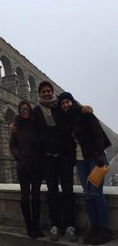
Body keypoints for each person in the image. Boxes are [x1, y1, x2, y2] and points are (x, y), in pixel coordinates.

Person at [58, 91, 111, 245]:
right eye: (62, 103)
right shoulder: (66, 120)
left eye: (67, 101)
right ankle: (94, 227)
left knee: (96, 193)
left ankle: (104, 229)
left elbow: (97, 134)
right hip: (80, 161)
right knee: (87, 194)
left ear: (72, 101)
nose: (65, 105)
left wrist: (100, 155)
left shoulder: (85, 113)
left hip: (95, 158)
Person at [32, 81, 78, 242]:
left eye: (48, 91)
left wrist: (86, 109)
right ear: (39, 94)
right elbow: (32, 130)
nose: (46, 93)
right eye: (43, 91)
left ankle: (70, 226)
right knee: (52, 192)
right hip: (48, 158)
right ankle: (55, 225)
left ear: (52, 92)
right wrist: (14, 126)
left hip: (64, 156)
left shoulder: (61, 107)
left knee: (68, 191)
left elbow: (75, 114)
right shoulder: (37, 111)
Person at [9, 100, 44, 238]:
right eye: (22, 109)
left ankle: (36, 226)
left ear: (30, 110)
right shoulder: (15, 126)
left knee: (36, 197)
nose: (25, 111)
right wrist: (18, 156)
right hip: (23, 167)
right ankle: (29, 226)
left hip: (36, 166)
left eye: (27, 109)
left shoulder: (36, 124)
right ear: (19, 111)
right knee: (24, 198)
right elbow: (12, 145)